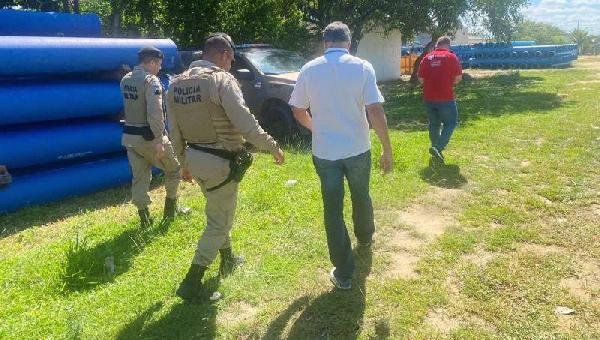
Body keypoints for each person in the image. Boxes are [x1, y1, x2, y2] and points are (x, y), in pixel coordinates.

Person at [167, 33, 285, 301]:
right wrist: (272, 146)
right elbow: (245, 122)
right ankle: (192, 282)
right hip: (220, 160)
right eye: (231, 58)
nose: (231, 63)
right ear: (222, 55)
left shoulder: (175, 85)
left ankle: (228, 258)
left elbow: (173, 132)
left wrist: (183, 163)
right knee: (219, 221)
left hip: (196, 159)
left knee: (218, 209)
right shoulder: (221, 80)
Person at [289, 22, 393, 290]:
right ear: (348, 42)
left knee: (332, 209)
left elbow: (298, 109)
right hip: (357, 147)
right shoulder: (362, 67)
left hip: (325, 152)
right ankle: (365, 237)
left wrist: (317, 128)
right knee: (361, 194)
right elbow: (375, 110)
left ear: (325, 43)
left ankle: (344, 271)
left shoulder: (309, 69)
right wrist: (387, 148)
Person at [120, 46, 181, 227]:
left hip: (130, 138)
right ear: (151, 62)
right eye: (159, 64)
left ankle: (145, 219)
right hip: (149, 138)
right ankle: (171, 211)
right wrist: (159, 139)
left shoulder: (125, 79)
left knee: (140, 177)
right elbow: (155, 114)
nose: (160, 68)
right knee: (174, 170)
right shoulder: (151, 81)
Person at [418, 36, 463, 163]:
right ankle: (438, 147)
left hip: (429, 98)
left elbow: (421, 79)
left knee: (434, 124)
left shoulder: (427, 58)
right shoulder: (451, 57)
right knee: (450, 123)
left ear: (437, 45)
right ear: (448, 45)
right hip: (446, 97)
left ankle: (435, 149)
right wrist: (449, 82)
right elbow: (458, 78)